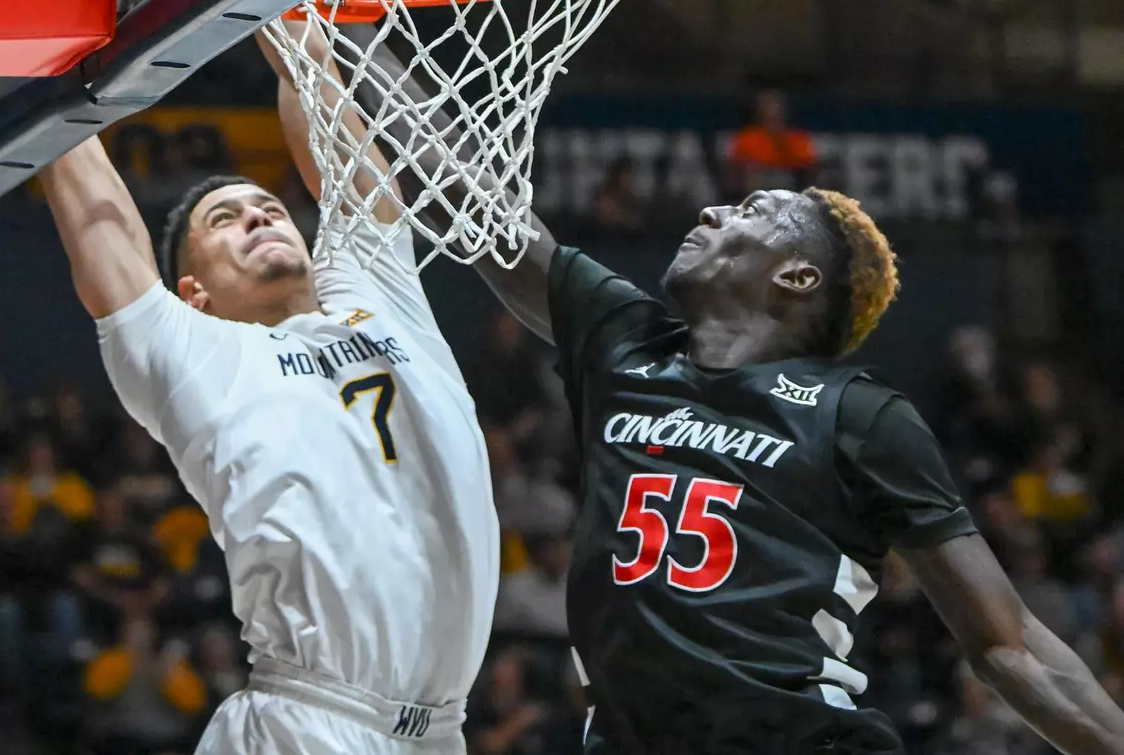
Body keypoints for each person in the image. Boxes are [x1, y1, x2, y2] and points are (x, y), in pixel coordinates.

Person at [37, 0, 497, 755]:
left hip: (442, 735)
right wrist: (18, 1)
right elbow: (87, 190)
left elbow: (315, 88)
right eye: (224, 218)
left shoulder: (376, 294)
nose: (262, 212)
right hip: (308, 723)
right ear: (191, 289)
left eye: (266, 202)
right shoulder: (188, 351)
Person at [466, 187, 1124, 753]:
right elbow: (483, 206)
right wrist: (368, 54)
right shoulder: (627, 345)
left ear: (797, 277)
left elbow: (1010, 644)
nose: (712, 208)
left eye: (753, 209)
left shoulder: (856, 412)